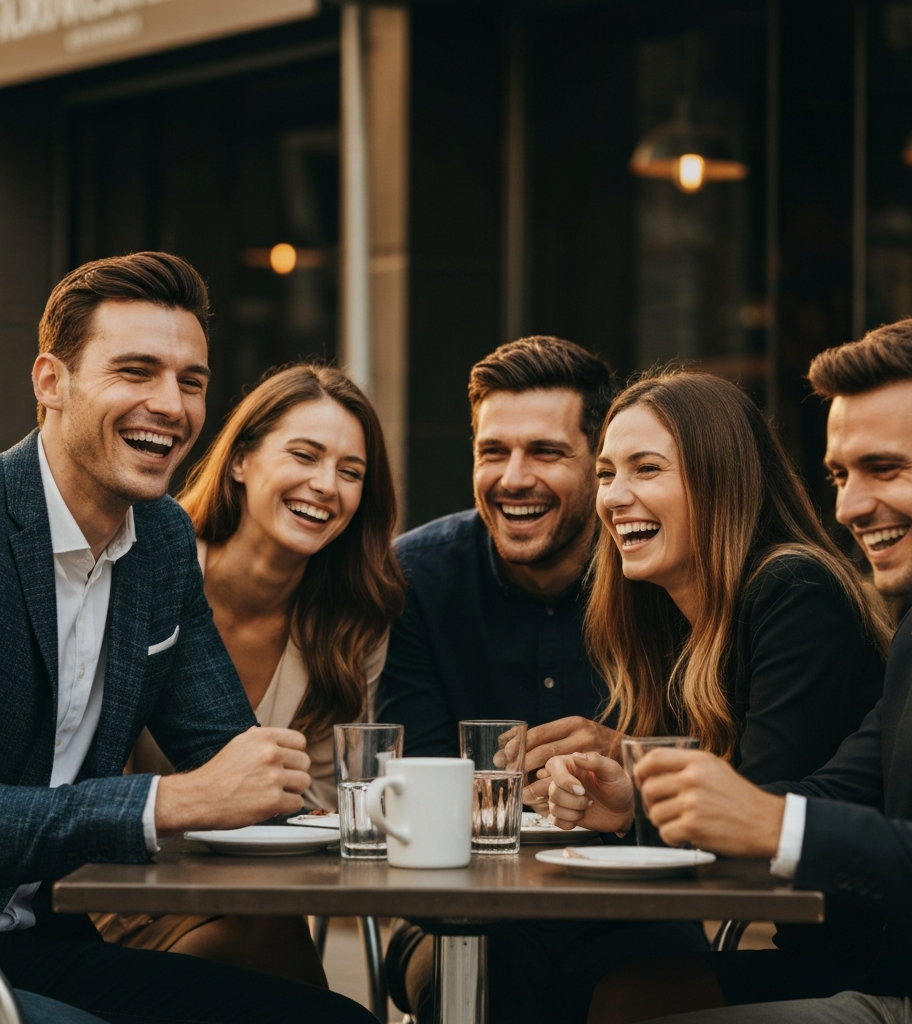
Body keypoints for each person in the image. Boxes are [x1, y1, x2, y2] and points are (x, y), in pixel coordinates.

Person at [0, 252, 376, 1024]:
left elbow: (225, 749)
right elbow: (196, 787)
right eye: (135, 371)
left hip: (41, 943)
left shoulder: (163, 540)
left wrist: (399, 812)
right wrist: (165, 802)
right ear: (50, 382)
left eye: (191, 381)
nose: (169, 405)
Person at [625, 316, 912, 1024]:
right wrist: (642, 806)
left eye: (885, 468)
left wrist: (779, 827)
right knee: (630, 1001)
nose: (848, 507)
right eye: (840, 474)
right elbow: (836, 793)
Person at [539, 370, 890, 1023]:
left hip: (882, 961)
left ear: (721, 479)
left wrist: (638, 802)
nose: (616, 496)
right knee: (563, 970)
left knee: (616, 991)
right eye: (608, 473)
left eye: (647, 469)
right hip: (825, 947)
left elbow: (758, 805)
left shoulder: (795, 590)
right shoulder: (675, 618)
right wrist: (623, 803)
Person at [91, 364, 405, 984]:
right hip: (121, 883)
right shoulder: (144, 565)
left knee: (262, 939)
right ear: (240, 461)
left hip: (263, 891)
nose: (326, 486)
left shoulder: (353, 621)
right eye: (305, 455)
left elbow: (322, 801)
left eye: (350, 472)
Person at [378, 335, 632, 1021]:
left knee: (641, 996)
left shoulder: (649, 572)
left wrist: (627, 761)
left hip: (629, 911)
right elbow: (418, 785)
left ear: (598, 465)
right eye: (493, 452)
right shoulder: (417, 578)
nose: (513, 478)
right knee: (488, 981)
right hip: (451, 913)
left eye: (546, 452)